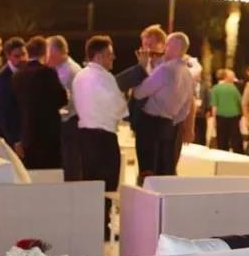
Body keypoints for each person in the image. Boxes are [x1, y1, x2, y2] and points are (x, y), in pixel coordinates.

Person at [73, 35, 128, 241]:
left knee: (90, 184)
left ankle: (91, 226)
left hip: (84, 136)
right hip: (103, 137)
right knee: (107, 186)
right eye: (109, 55)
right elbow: (119, 107)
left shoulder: (79, 76)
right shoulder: (105, 77)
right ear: (99, 56)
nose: (113, 59)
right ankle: (102, 228)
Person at [132, 32, 195, 176]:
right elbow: (185, 108)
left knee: (148, 173)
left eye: (167, 45)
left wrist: (143, 68)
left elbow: (139, 93)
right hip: (170, 126)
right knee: (164, 172)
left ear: (172, 47)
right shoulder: (188, 74)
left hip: (150, 126)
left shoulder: (165, 69)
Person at [116, 24, 168, 184]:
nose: (146, 49)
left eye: (150, 44)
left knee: (159, 166)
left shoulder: (165, 67)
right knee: (144, 164)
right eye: (144, 45)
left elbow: (145, 91)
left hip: (160, 122)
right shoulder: (145, 64)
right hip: (142, 122)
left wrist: (143, 70)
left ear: (162, 45)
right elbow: (123, 86)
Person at [12, 36, 68, 170]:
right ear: (45, 52)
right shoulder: (47, 72)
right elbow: (62, 99)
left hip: (27, 133)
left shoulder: (18, 75)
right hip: (48, 134)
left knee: (31, 173)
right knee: (50, 173)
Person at [47, 35, 83, 181]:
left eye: (48, 52)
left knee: (70, 163)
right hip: (67, 121)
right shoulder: (61, 68)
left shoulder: (69, 70)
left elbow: (66, 101)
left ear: (55, 52)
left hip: (70, 121)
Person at [0, 37, 27, 152]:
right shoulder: (3, 79)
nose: (22, 59)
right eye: (17, 56)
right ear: (8, 56)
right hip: (12, 138)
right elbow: (2, 113)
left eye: (24, 54)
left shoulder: (25, 71)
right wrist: (14, 140)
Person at [210, 69, 244, 153]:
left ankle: (223, 154)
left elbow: (214, 106)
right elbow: (240, 102)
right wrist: (242, 114)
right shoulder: (233, 88)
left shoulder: (215, 88)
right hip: (234, 115)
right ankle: (238, 154)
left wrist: (214, 119)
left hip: (221, 116)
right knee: (235, 137)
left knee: (222, 138)